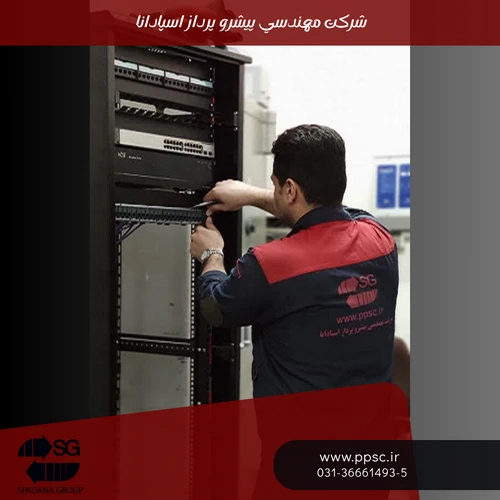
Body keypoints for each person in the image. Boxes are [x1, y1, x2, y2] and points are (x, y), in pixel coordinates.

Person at [189, 124, 399, 399]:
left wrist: (211, 254)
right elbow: (332, 212)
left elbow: (215, 309)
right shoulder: (380, 239)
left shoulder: (270, 264)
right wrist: (251, 195)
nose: (273, 191)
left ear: (290, 189)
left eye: (275, 185)